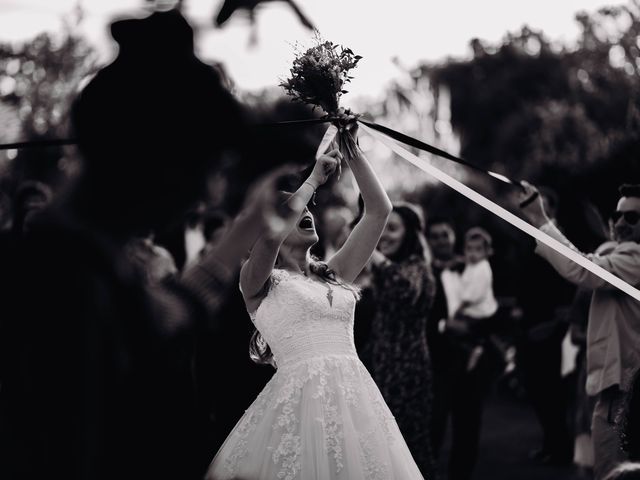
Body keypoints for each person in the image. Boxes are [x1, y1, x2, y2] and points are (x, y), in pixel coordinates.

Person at [0, 10, 291, 480]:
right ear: (152, 164)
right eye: (205, 169)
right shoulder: (61, 286)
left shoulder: (91, 261)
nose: (209, 194)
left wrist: (251, 224)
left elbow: (171, 313)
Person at [206, 125, 428, 480]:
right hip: (298, 407)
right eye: (292, 207)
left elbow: (378, 212)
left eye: (306, 204)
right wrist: (311, 181)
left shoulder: (336, 273)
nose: (305, 208)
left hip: (355, 399)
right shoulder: (256, 280)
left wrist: (350, 145)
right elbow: (271, 238)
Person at [519, 181, 640, 480]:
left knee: (613, 475)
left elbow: (583, 270)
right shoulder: (622, 256)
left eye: (633, 217)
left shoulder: (636, 259)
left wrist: (541, 219)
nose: (621, 223)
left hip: (627, 388)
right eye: (618, 215)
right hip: (617, 384)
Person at [363, 201, 437, 479]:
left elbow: (405, 289)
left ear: (410, 234)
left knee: (406, 449)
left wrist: (373, 253)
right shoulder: (390, 268)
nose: (383, 235)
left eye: (391, 228)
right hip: (382, 366)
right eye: (380, 229)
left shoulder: (415, 266)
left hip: (406, 371)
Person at [441, 226, 499, 372]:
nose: (473, 254)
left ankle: (474, 349)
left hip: (479, 314)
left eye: (478, 249)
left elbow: (471, 297)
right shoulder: (472, 265)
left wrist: (457, 310)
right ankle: (473, 347)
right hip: (474, 312)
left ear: (487, 252)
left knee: (448, 326)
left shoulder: (482, 268)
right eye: (469, 249)